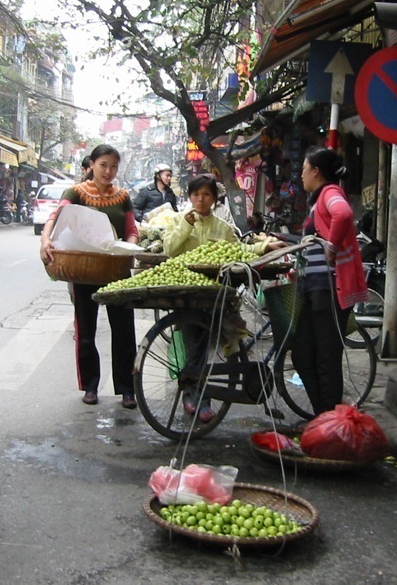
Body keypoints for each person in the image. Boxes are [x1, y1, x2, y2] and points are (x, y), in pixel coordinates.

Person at [163, 174, 284, 421]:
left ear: (214, 199)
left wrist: (265, 247)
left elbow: (240, 250)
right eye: (196, 194)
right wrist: (186, 226)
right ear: (190, 197)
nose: (200, 199)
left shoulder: (223, 227)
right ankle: (194, 396)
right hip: (186, 294)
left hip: (213, 295)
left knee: (204, 346)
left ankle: (197, 397)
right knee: (192, 344)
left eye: (206, 194)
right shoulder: (178, 220)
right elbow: (170, 249)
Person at [39, 144, 139, 409]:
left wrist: (129, 246)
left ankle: (127, 389)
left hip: (117, 269)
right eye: (103, 165)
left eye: (113, 166)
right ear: (92, 165)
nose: (108, 171)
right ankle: (91, 386)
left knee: (124, 331)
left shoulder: (123, 196)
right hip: (83, 270)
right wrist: (45, 239)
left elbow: (132, 229)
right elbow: (55, 216)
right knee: (86, 330)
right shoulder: (76, 192)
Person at [292, 147, 368, 416]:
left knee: (326, 358)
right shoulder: (316, 199)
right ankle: (324, 416)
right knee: (302, 355)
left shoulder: (329, 193)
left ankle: (330, 421)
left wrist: (332, 248)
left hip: (329, 289)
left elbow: (344, 214)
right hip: (315, 289)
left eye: (304, 169)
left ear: (316, 172)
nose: (301, 174)